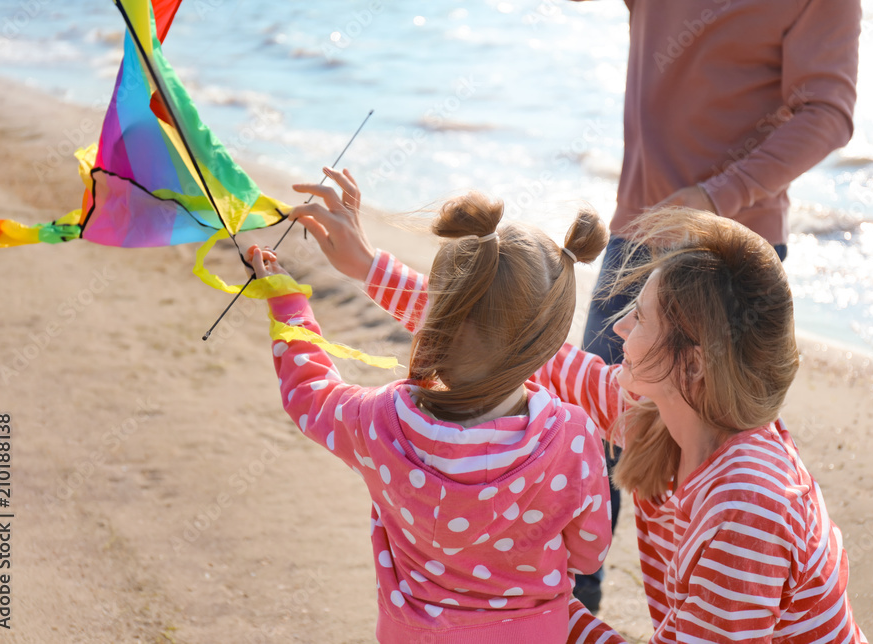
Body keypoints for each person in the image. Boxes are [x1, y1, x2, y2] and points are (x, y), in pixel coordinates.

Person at [572, 0, 862, 610]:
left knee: (704, 447)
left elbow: (828, 114)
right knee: (586, 421)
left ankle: (707, 607)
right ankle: (568, 602)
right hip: (637, 228)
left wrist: (714, 195)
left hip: (720, 249)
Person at [248, 167, 613, 643]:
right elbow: (589, 554)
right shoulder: (572, 435)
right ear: (549, 346)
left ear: (432, 318)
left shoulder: (381, 420)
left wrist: (288, 303)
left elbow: (309, 395)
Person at [531, 208, 867, 643]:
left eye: (641, 318)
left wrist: (535, 602)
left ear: (692, 363)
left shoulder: (745, 506)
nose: (618, 326)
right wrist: (450, 305)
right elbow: (539, 360)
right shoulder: (670, 415)